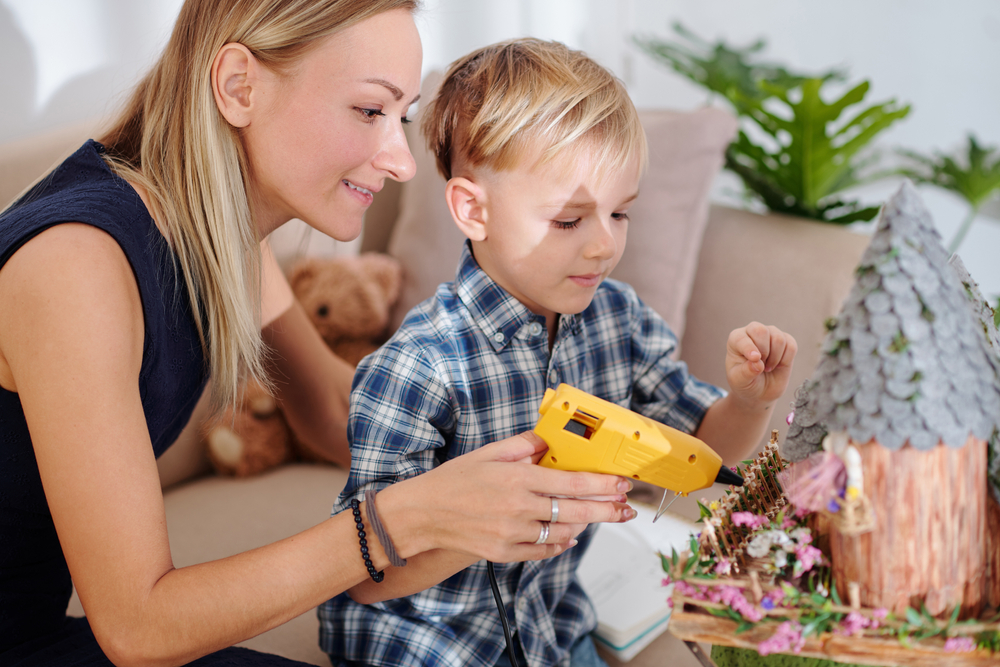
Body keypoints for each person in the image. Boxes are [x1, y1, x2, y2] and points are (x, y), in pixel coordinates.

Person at [0, 4, 637, 666]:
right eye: (369, 111)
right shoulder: (77, 264)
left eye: (405, 117)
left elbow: (338, 413)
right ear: (239, 86)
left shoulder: (219, 228)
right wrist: (407, 518)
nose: (401, 161)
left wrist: (518, 461)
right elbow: (137, 626)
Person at [319, 38, 799, 667]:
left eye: (621, 214)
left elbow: (707, 451)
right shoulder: (415, 369)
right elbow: (365, 575)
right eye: (570, 221)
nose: (604, 246)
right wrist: (497, 524)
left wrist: (748, 399)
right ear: (473, 209)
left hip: (550, 630)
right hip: (421, 644)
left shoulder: (618, 321)